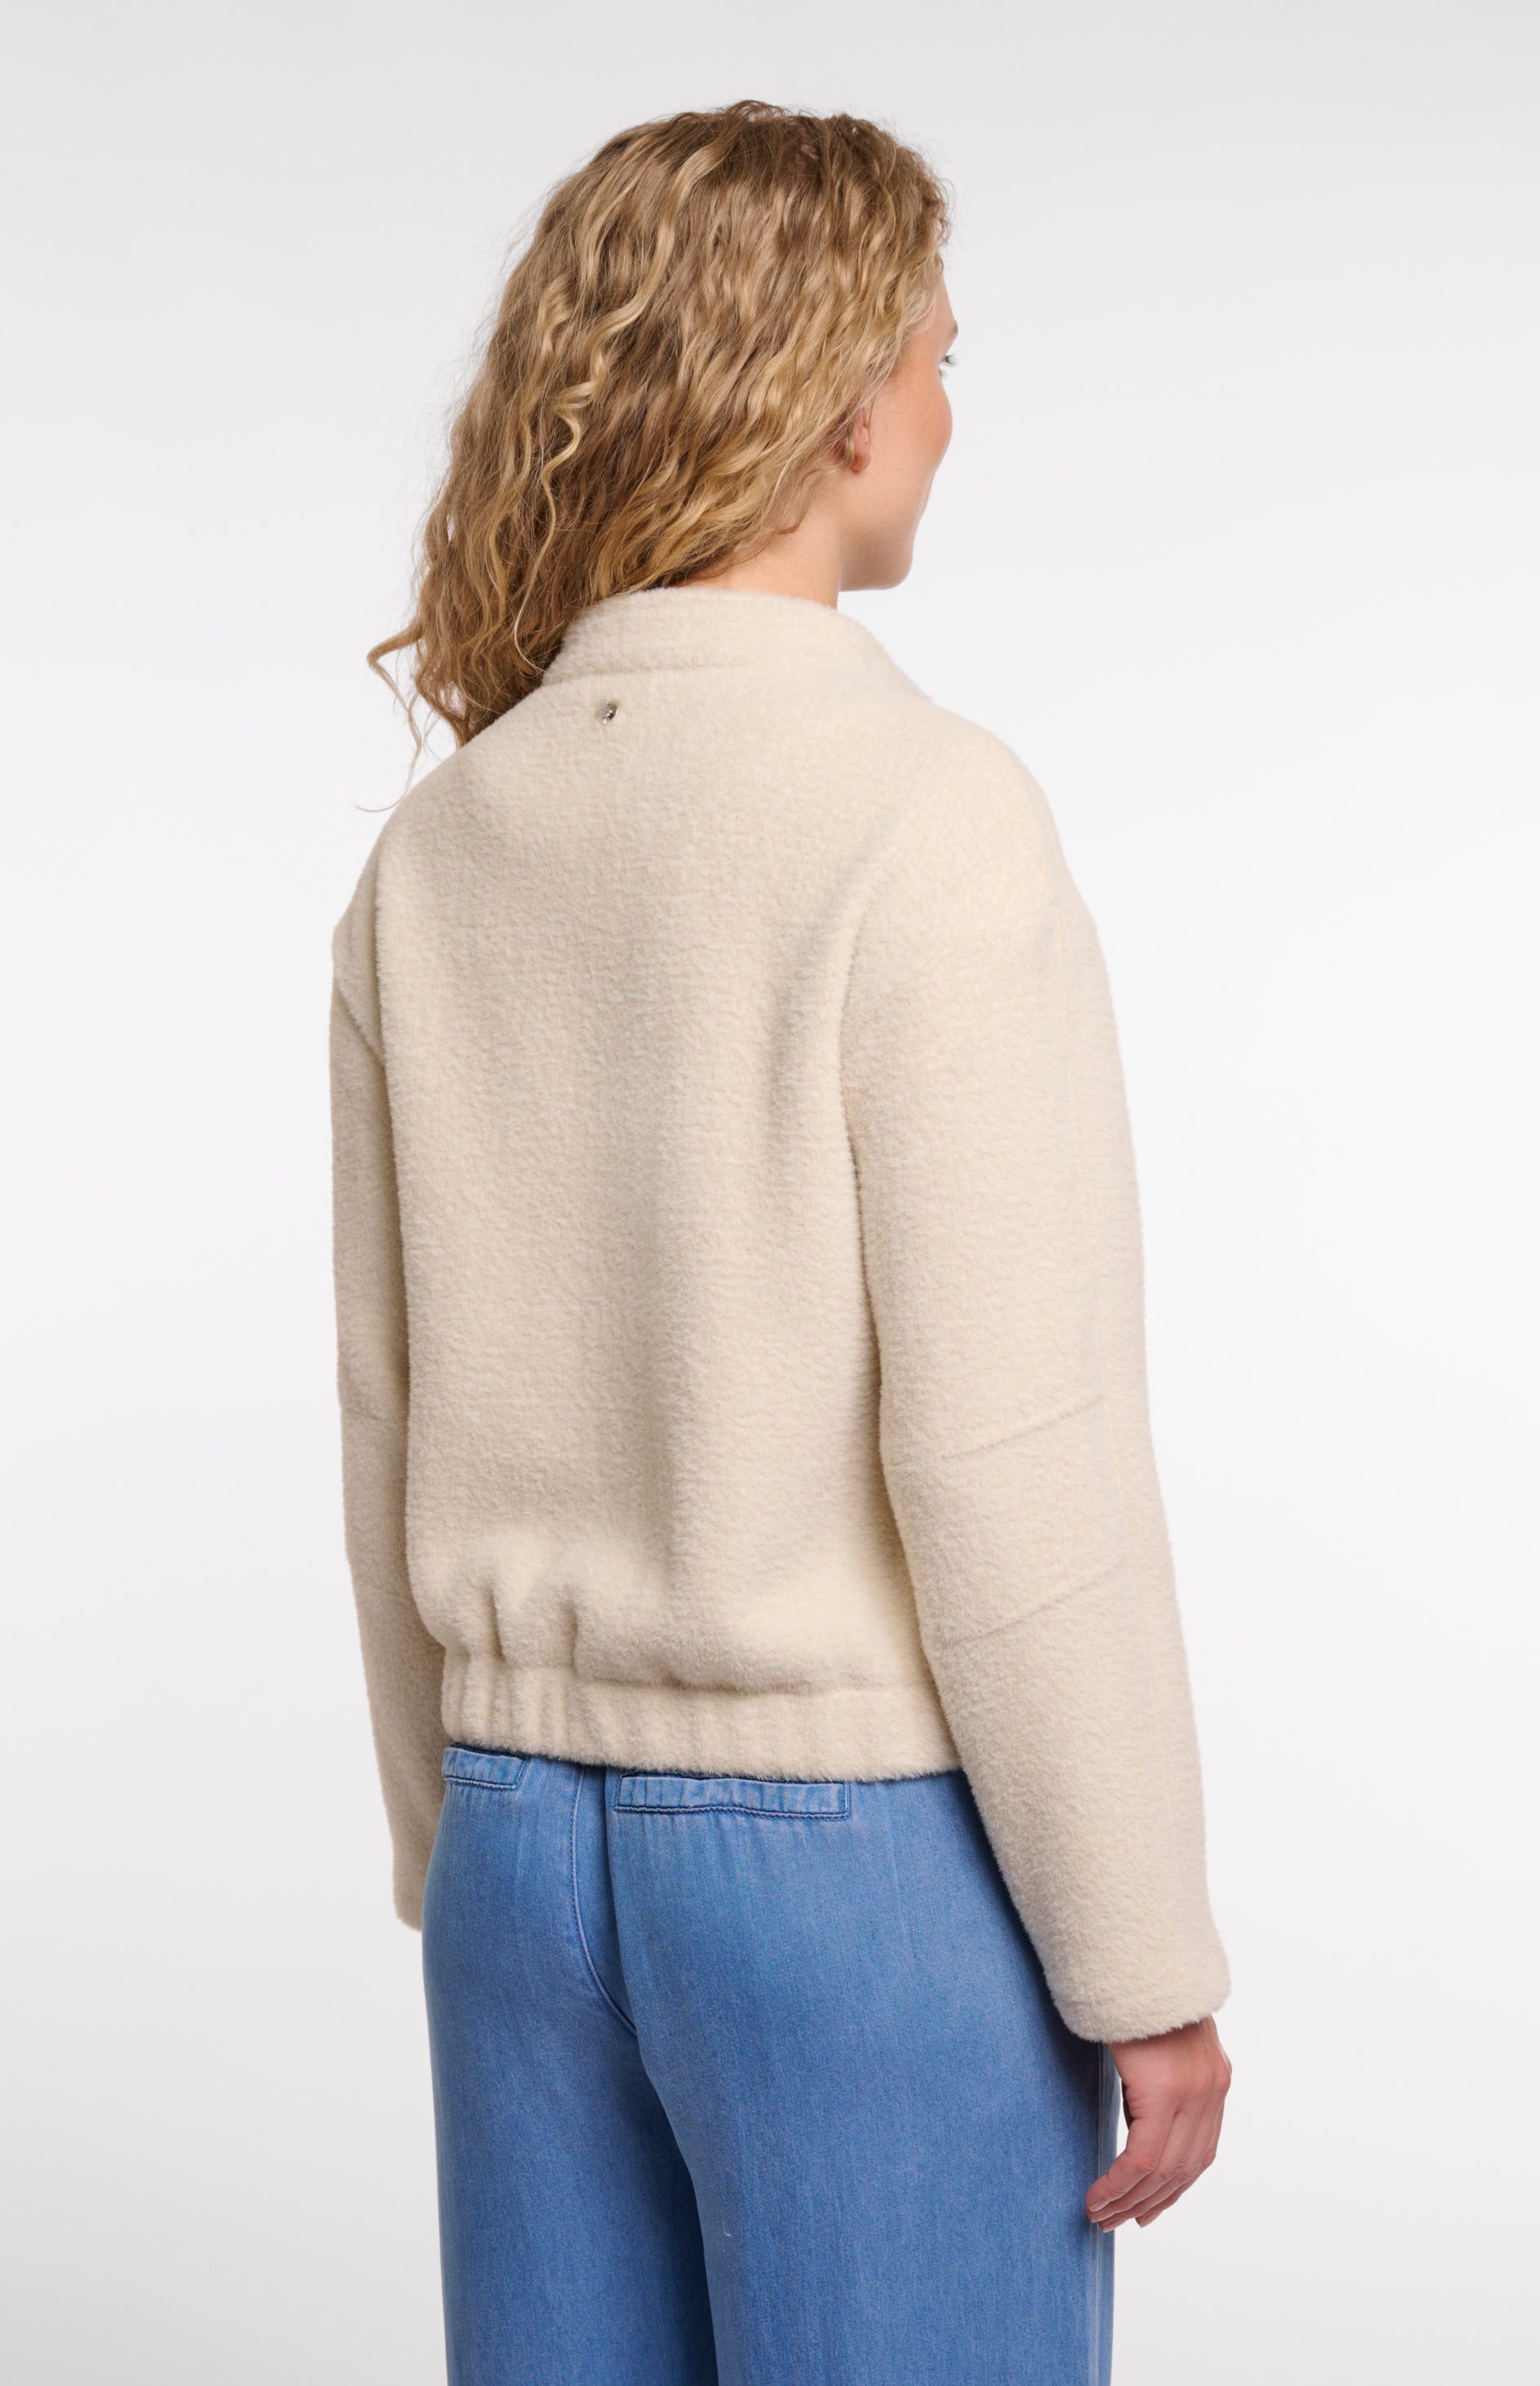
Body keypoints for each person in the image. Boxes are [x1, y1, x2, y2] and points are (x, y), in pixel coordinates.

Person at [331, 99, 1231, 2386]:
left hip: (521, 1852)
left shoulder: (446, 848)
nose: (948, 405)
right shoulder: (924, 814)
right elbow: (1009, 1446)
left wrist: (461, 1841)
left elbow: (387, 1402)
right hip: (854, 1870)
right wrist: (1142, 1959)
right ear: (836, 399)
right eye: (935, 353)